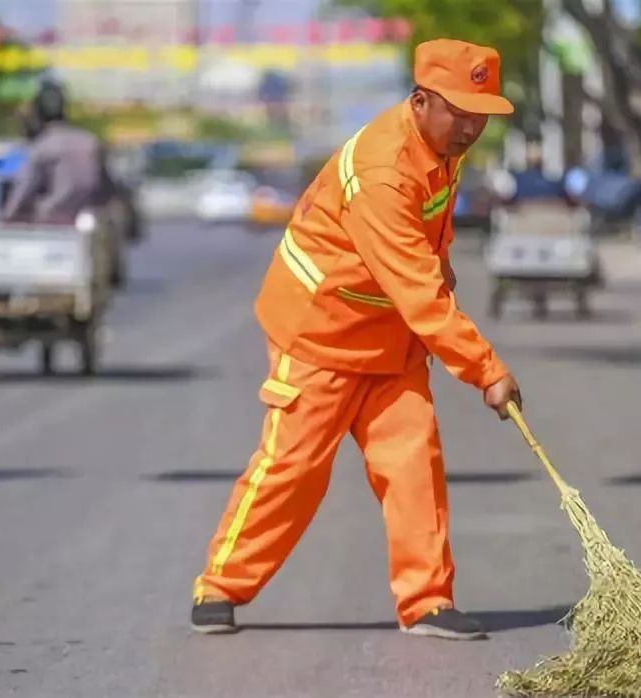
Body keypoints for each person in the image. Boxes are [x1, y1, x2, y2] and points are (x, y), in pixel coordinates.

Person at [191, 38, 523, 641]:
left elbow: (429, 244)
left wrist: (442, 266)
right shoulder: (381, 171)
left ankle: (427, 602)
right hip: (318, 333)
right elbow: (420, 293)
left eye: (481, 115)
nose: (472, 127)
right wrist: (487, 371)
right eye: (461, 112)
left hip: (389, 339)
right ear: (420, 101)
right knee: (293, 470)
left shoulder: (443, 145)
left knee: (414, 464)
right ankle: (220, 586)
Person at [3, 82, 115, 223]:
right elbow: (108, 190)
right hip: (85, 222)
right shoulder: (90, 142)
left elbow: (22, 193)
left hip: (49, 223)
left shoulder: (42, 147)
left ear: (38, 113)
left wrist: (7, 217)